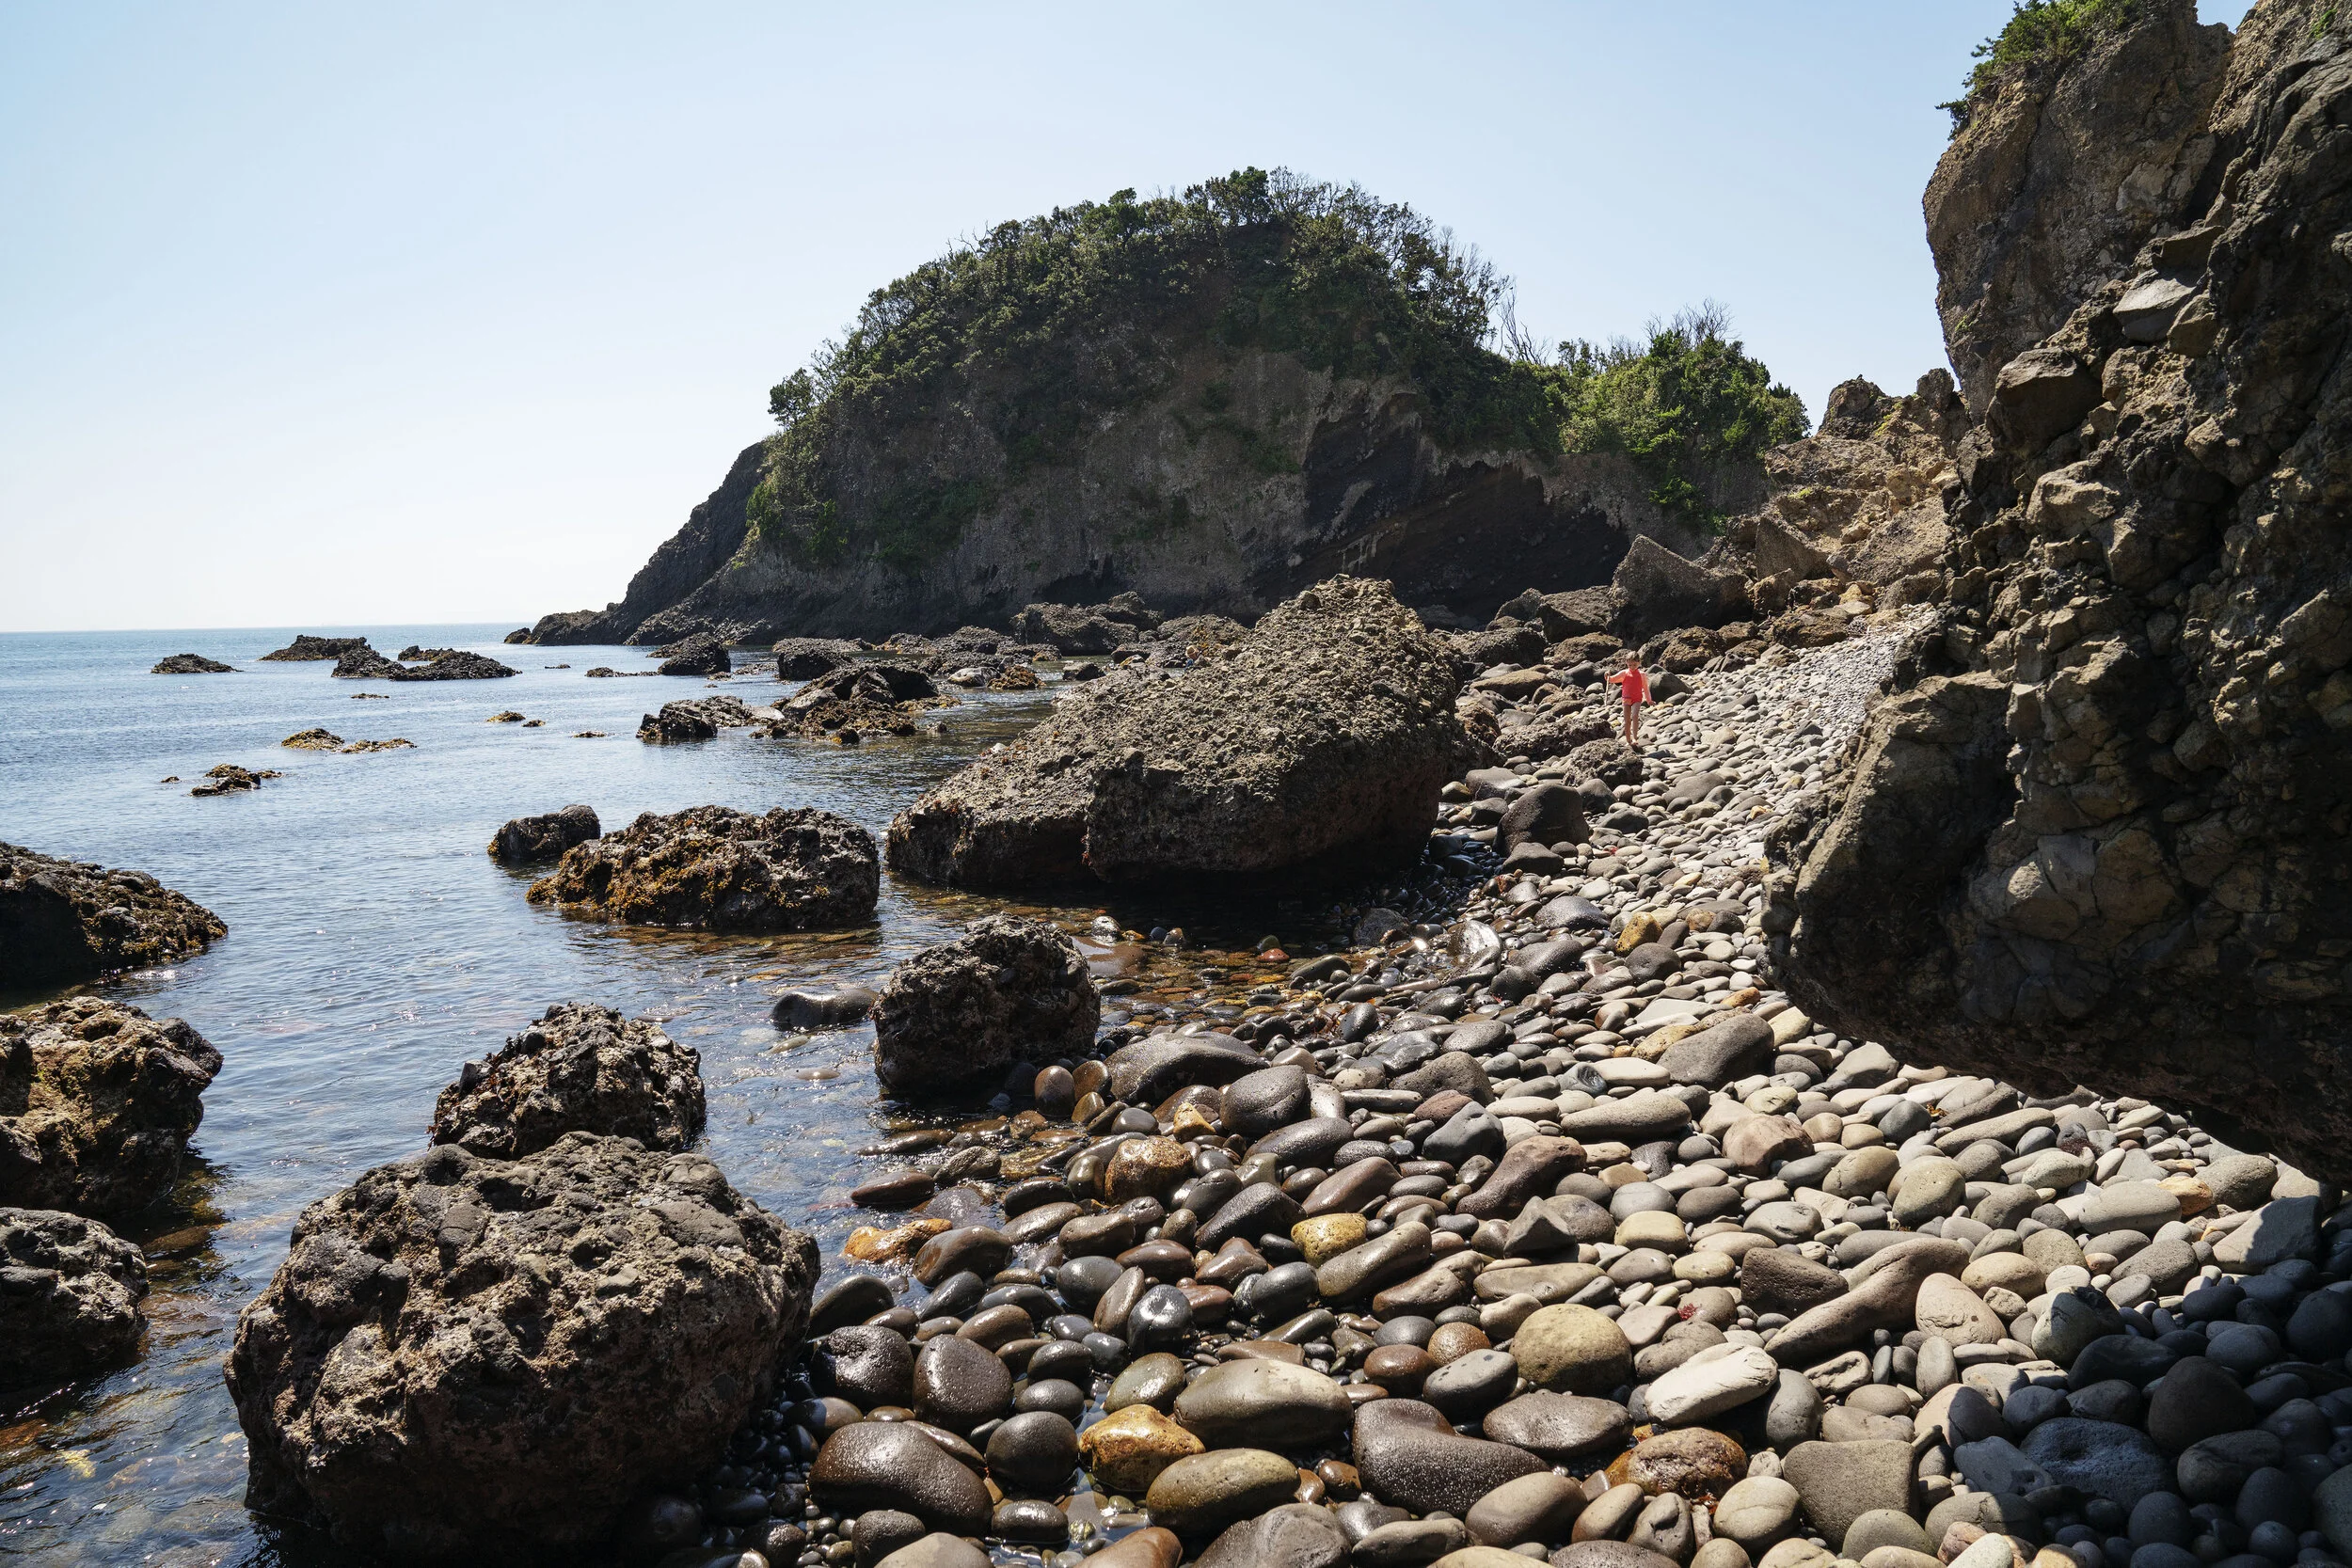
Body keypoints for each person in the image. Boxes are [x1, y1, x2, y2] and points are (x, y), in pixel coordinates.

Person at [1605, 654, 1650, 750]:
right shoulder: (1624, 673)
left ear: (1639, 663)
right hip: (1626, 699)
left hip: (1637, 698)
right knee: (1627, 721)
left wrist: (1649, 700)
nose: (1632, 667)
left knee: (1635, 716)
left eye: (1634, 665)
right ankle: (1628, 741)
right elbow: (1611, 680)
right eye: (1630, 665)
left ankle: (1635, 738)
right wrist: (1607, 676)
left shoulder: (1642, 674)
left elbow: (1646, 688)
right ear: (1626, 663)